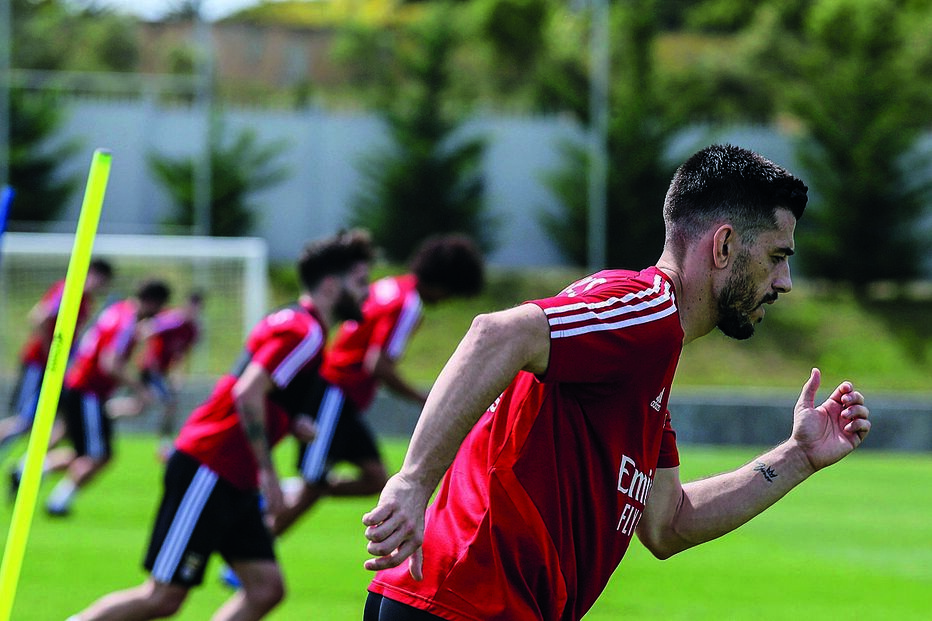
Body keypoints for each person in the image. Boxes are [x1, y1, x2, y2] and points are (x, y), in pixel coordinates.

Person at [361, 144, 872, 621]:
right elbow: (496, 334)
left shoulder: (651, 356)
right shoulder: (645, 312)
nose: (784, 282)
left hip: (462, 598)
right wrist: (412, 483)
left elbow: (667, 523)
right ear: (724, 245)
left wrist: (798, 456)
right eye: (777, 257)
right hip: (467, 598)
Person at [67, 229, 375, 621]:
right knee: (162, 597)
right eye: (361, 282)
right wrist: (270, 475)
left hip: (234, 475)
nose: (368, 294)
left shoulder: (296, 322)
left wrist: (290, 421)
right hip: (211, 465)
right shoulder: (305, 332)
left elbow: (258, 389)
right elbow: (247, 393)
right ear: (332, 285)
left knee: (265, 588)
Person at [271, 234, 485, 537]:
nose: (447, 300)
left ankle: (283, 496)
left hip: (342, 398)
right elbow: (378, 364)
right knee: (314, 486)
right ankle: (256, 550)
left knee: (374, 479)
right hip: (335, 393)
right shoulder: (409, 304)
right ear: (446, 282)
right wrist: (427, 398)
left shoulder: (393, 286)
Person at [42, 279, 172, 517]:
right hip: (88, 390)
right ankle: (56, 501)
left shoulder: (118, 310)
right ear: (154, 302)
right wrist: (139, 388)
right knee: (98, 455)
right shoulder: (126, 320)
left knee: (87, 452)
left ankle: (32, 475)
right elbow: (109, 362)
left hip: (84, 388)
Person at [0, 258, 114, 468]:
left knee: (41, 421)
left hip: (54, 367)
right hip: (39, 364)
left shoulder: (87, 301)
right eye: (101, 280)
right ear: (93, 274)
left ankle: (25, 465)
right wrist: (50, 353)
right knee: (23, 420)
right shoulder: (69, 290)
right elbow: (38, 317)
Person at [108, 290, 206, 460]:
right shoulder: (173, 321)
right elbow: (146, 329)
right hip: (150, 370)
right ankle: (165, 445)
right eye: (191, 307)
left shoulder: (192, 330)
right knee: (170, 403)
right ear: (185, 306)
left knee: (139, 407)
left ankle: (106, 411)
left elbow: (180, 354)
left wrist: (177, 374)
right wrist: (149, 356)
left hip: (162, 372)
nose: (193, 312)